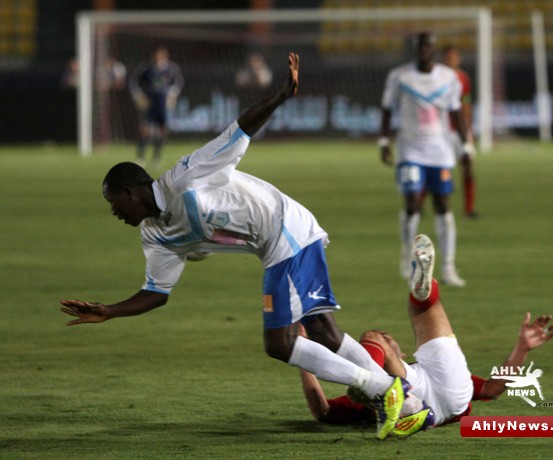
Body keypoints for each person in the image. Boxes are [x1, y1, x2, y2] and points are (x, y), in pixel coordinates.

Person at [60, 53, 411, 441]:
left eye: (114, 204)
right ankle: (404, 400)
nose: (114, 214)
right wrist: (109, 311)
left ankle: (381, 390)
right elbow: (156, 293)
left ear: (129, 192)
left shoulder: (187, 176)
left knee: (279, 343)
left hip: (286, 231)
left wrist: (279, 97)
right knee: (324, 331)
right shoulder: (154, 235)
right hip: (282, 241)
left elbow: (240, 129)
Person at [298, 234, 553, 435]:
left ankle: (379, 387)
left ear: (402, 353)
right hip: (448, 396)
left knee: (375, 341)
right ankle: (422, 296)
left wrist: (305, 355)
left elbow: (325, 413)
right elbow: (492, 389)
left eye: (390, 341)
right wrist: (521, 349)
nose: (388, 341)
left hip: (416, 388)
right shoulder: (405, 367)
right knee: (419, 310)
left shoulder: (406, 368)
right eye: (388, 342)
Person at [379, 32, 474, 286]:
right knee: (412, 204)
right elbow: (387, 108)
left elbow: (457, 113)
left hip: (440, 151)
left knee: (443, 206)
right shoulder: (400, 76)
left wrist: (465, 145)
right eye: (420, 46)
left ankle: (448, 266)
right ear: (415, 48)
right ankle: (409, 260)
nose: (424, 50)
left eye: (428, 46)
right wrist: (384, 140)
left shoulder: (448, 78)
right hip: (410, 150)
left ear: (434, 49)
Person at [129, 46, 184, 168]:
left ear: (165, 56)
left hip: (163, 103)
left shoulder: (171, 68)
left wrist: (172, 94)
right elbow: (133, 81)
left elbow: (179, 82)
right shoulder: (146, 68)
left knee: (162, 130)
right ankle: (140, 157)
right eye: (156, 56)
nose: (158, 58)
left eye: (160, 56)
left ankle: (156, 158)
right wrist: (138, 96)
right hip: (150, 102)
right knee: (145, 129)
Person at [442, 45, 477, 218]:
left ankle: (469, 209)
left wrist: (469, 128)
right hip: (443, 130)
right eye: (449, 57)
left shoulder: (463, 78)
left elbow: (467, 102)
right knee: (441, 169)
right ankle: (426, 204)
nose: (452, 60)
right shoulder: (438, 78)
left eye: (455, 57)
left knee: (468, 167)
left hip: (460, 130)